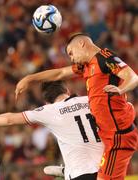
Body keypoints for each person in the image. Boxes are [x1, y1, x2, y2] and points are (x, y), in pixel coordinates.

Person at [14, 33, 138, 180]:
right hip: (108, 134)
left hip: (118, 135)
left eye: (71, 53)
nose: (71, 58)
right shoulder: (85, 66)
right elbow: (60, 73)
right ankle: (68, 171)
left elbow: (133, 77)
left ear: (82, 44)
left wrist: (121, 90)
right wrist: (30, 78)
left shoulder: (104, 58)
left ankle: (67, 172)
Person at [0, 81, 104, 180]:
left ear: (46, 102)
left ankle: (66, 171)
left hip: (81, 173)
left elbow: (9, 119)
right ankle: (65, 171)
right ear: (67, 91)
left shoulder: (50, 110)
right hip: (109, 170)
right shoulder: (90, 100)